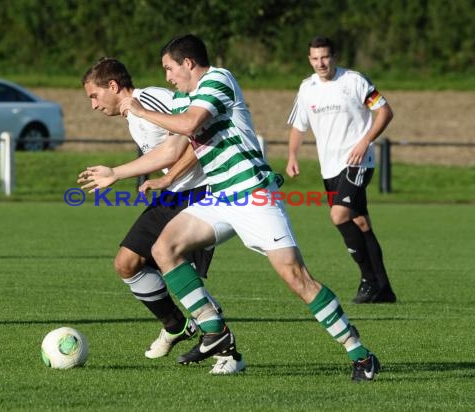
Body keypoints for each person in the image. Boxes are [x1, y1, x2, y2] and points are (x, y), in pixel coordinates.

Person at [118, 33, 380, 380]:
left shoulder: (218, 79)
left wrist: (139, 108)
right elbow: (170, 149)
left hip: (254, 195)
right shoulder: (187, 97)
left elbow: (189, 124)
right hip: (221, 196)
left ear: (188, 63)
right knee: (164, 248)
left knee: (296, 277)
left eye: (169, 69)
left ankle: (360, 355)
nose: (168, 78)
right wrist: (119, 173)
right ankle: (215, 331)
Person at [78, 57, 222, 360]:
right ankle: (176, 326)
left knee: (176, 266)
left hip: (199, 194)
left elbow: (201, 135)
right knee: (126, 263)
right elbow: (162, 151)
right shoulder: (133, 116)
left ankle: (222, 344)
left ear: (113, 86)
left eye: (94, 95)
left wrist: (118, 172)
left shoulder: (153, 98)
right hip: (171, 196)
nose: (93, 105)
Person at [286, 36, 397, 304]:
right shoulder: (307, 88)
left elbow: (385, 112)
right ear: (309, 60)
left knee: (338, 215)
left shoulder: (354, 81)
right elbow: (299, 126)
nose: (320, 63)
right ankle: (384, 288)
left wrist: (365, 141)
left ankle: (368, 281)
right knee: (360, 222)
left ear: (334, 57)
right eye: (314, 58)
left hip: (357, 162)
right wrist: (292, 155)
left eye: (324, 57)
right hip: (330, 168)